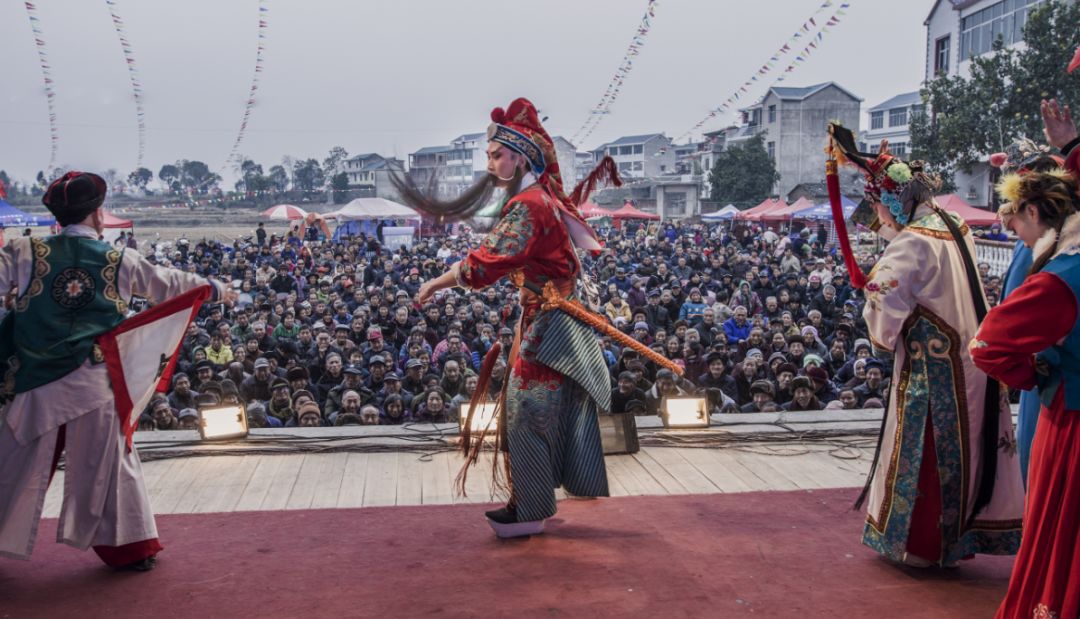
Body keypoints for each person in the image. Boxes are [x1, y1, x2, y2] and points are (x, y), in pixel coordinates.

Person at [394, 97, 614, 537]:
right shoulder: (541, 199)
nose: (490, 162)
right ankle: (536, 498)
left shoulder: (529, 206)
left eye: (496, 154)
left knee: (525, 409)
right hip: (549, 319)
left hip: (550, 325)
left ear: (519, 156)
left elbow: (484, 264)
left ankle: (529, 509)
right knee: (538, 408)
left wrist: (438, 283)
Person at [0, 172, 233, 571]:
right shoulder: (118, 259)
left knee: (11, 462)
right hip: (93, 382)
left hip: (33, 382)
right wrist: (213, 287)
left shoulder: (24, 252)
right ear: (97, 214)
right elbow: (169, 284)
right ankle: (129, 550)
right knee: (109, 462)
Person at [827, 124, 1024, 568]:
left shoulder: (911, 244)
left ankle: (922, 547)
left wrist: (878, 327)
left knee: (928, 454)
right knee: (971, 447)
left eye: (878, 203)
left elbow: (881, 302)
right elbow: (899, 241)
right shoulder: (952, 224)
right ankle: (955, 541)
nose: (876, 213)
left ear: (895, 200)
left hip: (934, 371)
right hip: (972, 361)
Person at [971, 163, 1080, 619]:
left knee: (1063, 533)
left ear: (1034, 211)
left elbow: (988, 344)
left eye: (1013, 218)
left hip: (1073, 422)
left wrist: (1035, 372)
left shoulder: (1060, 277)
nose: (1012, 229)